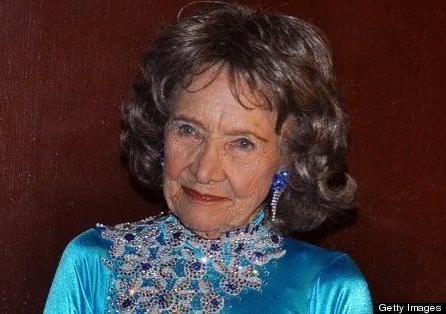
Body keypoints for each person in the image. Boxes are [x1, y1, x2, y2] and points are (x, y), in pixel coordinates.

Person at [45, 2, 372, 313]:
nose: (204, 171)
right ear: (161, 131)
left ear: (290, 160)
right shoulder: (94, 263)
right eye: (188, 131)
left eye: (242, 143)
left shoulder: (328, 288)